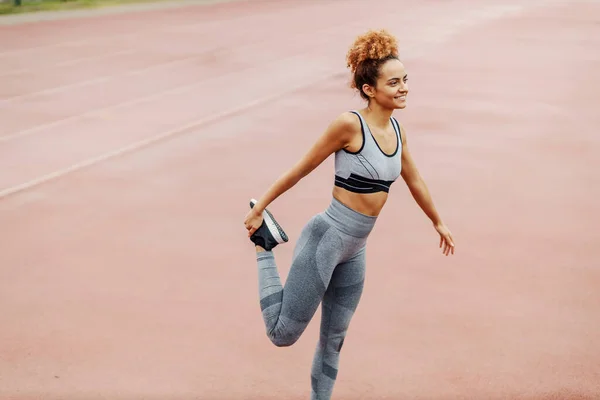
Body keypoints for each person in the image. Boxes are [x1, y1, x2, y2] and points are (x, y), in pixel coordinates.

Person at [243, 29, 455, 400]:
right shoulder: (349, 125)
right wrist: (261, 207)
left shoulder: (397, 130)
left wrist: (437, 220)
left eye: (405, 80)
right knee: (282, 335)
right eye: (394, 82)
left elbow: (414, 178)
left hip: (356, 248)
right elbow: (301, 167)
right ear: (369, 89)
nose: (403, 87)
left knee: (334, 339)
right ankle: (264, 246)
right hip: (326, 238)